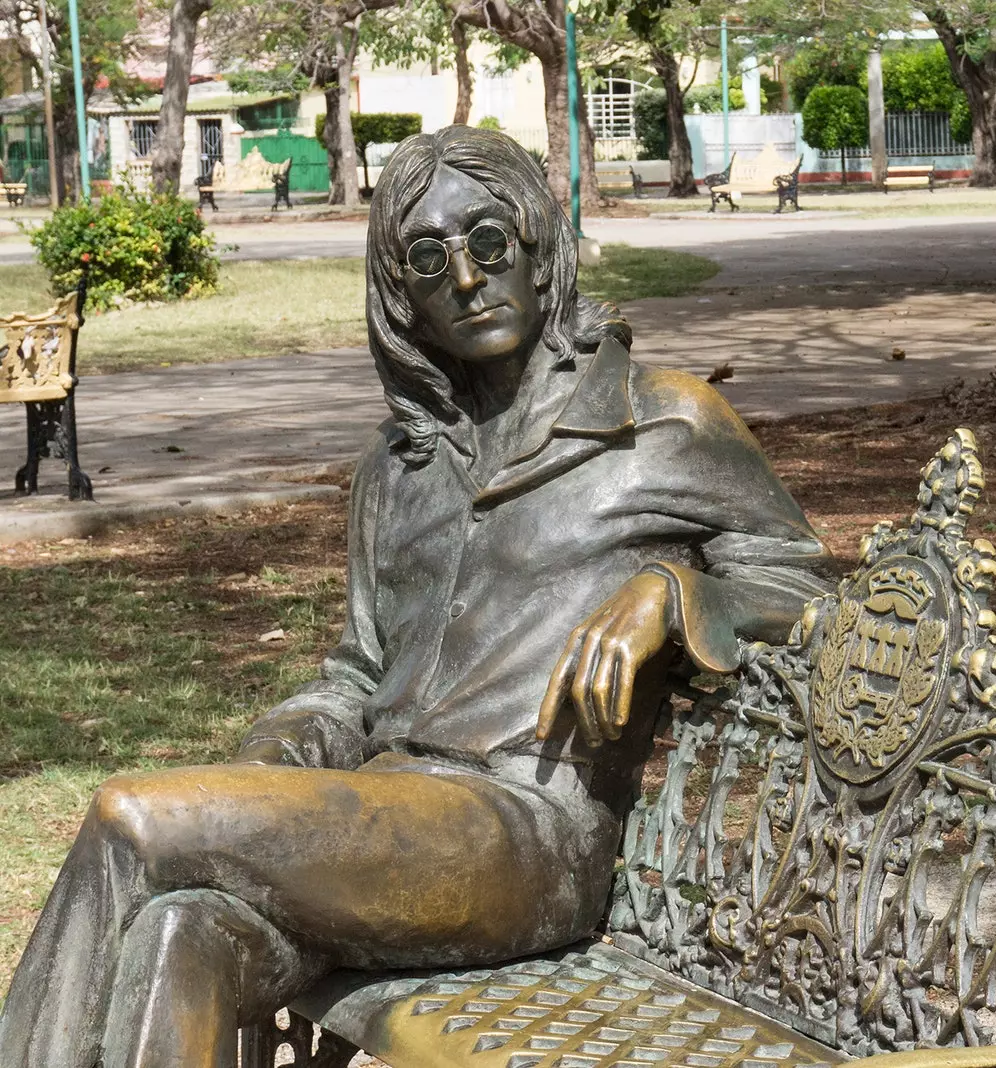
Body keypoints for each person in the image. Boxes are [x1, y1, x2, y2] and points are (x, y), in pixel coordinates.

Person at [0, 126, 834, 1068]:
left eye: (488, 243)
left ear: (536, 245)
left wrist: (674, 593)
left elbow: (808, 594)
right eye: (430, 260)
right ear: (404, 297)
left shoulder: (662, 420)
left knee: (133, 820)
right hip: (378, 814)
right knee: (182, 929)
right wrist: (275, 755)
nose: (469, 280)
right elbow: (356, 672)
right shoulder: (397, 469)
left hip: (525, 835)